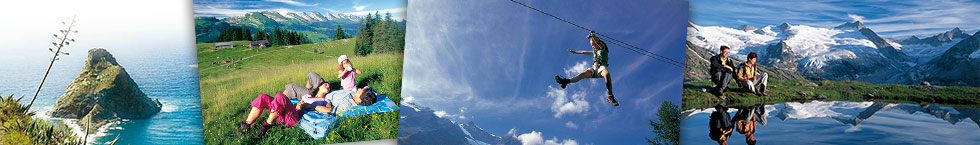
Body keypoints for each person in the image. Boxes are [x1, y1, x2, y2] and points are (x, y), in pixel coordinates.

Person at [236, 84, 377, 139]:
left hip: (296, 117)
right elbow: (363, 89)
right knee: (263, 97)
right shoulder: (349, 94)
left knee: (280, 96)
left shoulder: (346, 103)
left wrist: (309, 106)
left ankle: (266, 126)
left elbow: (330, 110)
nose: (358, 89)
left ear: (359, 100)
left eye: (360, 92)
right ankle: (246, 125)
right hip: (290, 109)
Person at [554, 31, 618, 106]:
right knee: (582, 75)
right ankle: (565, 82)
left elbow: (598, 41)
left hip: (601, 66)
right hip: (594, 68)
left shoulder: (603, 48)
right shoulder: (594, 52)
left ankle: (610, 96)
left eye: (594, 45)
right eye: (592, 46)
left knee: (606, 74)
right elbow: (583, 51)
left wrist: (592, 35)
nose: (593, 47)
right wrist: (575, 52)